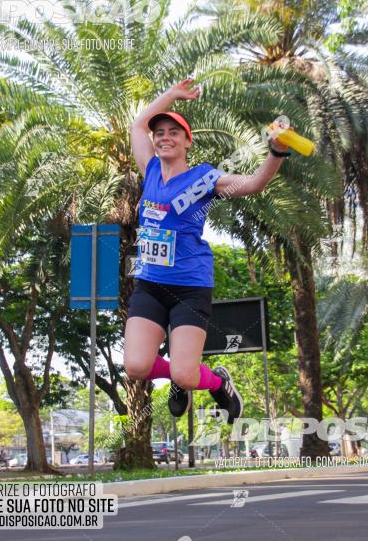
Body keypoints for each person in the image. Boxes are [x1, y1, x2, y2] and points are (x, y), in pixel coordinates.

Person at [123, 78, 291, 423]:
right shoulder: (150, 169)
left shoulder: (204, 179)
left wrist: (276, 151)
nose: (164, 137)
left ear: (187, 142)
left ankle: (218, 384)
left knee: (186, 375)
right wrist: (170, 94)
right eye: (161, 133)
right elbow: (139, 124)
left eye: (174, 132)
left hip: (189, 286)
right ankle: (177, 377)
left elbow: (255, 183)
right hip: (150, 284)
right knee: (136, 366)